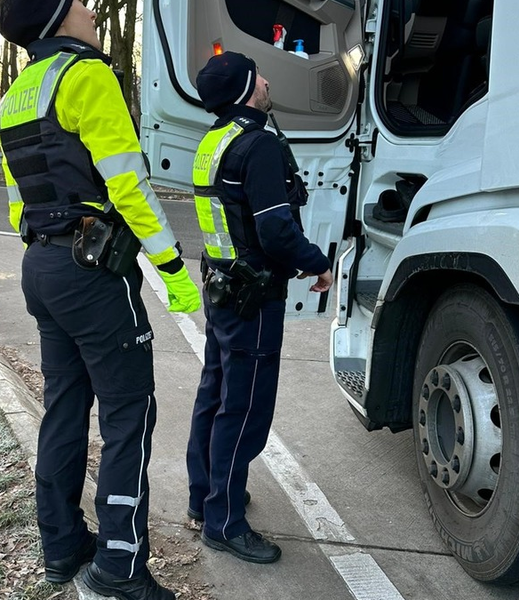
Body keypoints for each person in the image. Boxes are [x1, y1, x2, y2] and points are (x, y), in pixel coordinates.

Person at [0, 1, 200, 598]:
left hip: (42, 264)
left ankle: (62, 548)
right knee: (128, 416)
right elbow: (127, 180)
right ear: (57, 19)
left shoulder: (10, 100)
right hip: (92, 271)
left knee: (63, 409)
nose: (90, 10)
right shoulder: (86, 75)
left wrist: (52, 248)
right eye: (78, 3)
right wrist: (171, 264)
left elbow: (16, 205)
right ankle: (120, 568)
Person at [185, 51, 334, 564]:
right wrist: (318, 263)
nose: (269, 81)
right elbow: (275, 229)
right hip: (252, 296)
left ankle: (205, 496)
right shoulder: (259, 145)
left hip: (222, 288)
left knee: (215, 392)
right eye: (262, 75)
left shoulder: (213, 141)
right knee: (244, 408)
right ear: (250, 87)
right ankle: (224, 522)